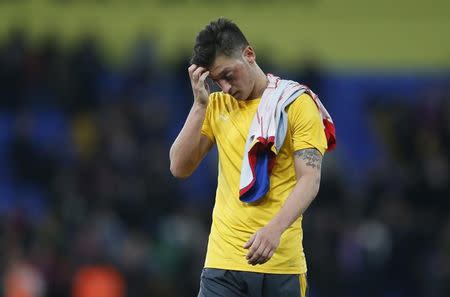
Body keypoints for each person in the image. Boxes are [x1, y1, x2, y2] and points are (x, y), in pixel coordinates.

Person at [169, 18, 335, 297]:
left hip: (281, 264)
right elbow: (179, 167)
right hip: (223, 265)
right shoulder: (216, 104)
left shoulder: (295, 103)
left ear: (249, 54)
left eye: (228, 75)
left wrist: (274, 230)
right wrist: (199, 105)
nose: (225, 86)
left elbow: (310, 179)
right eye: (216, 80)